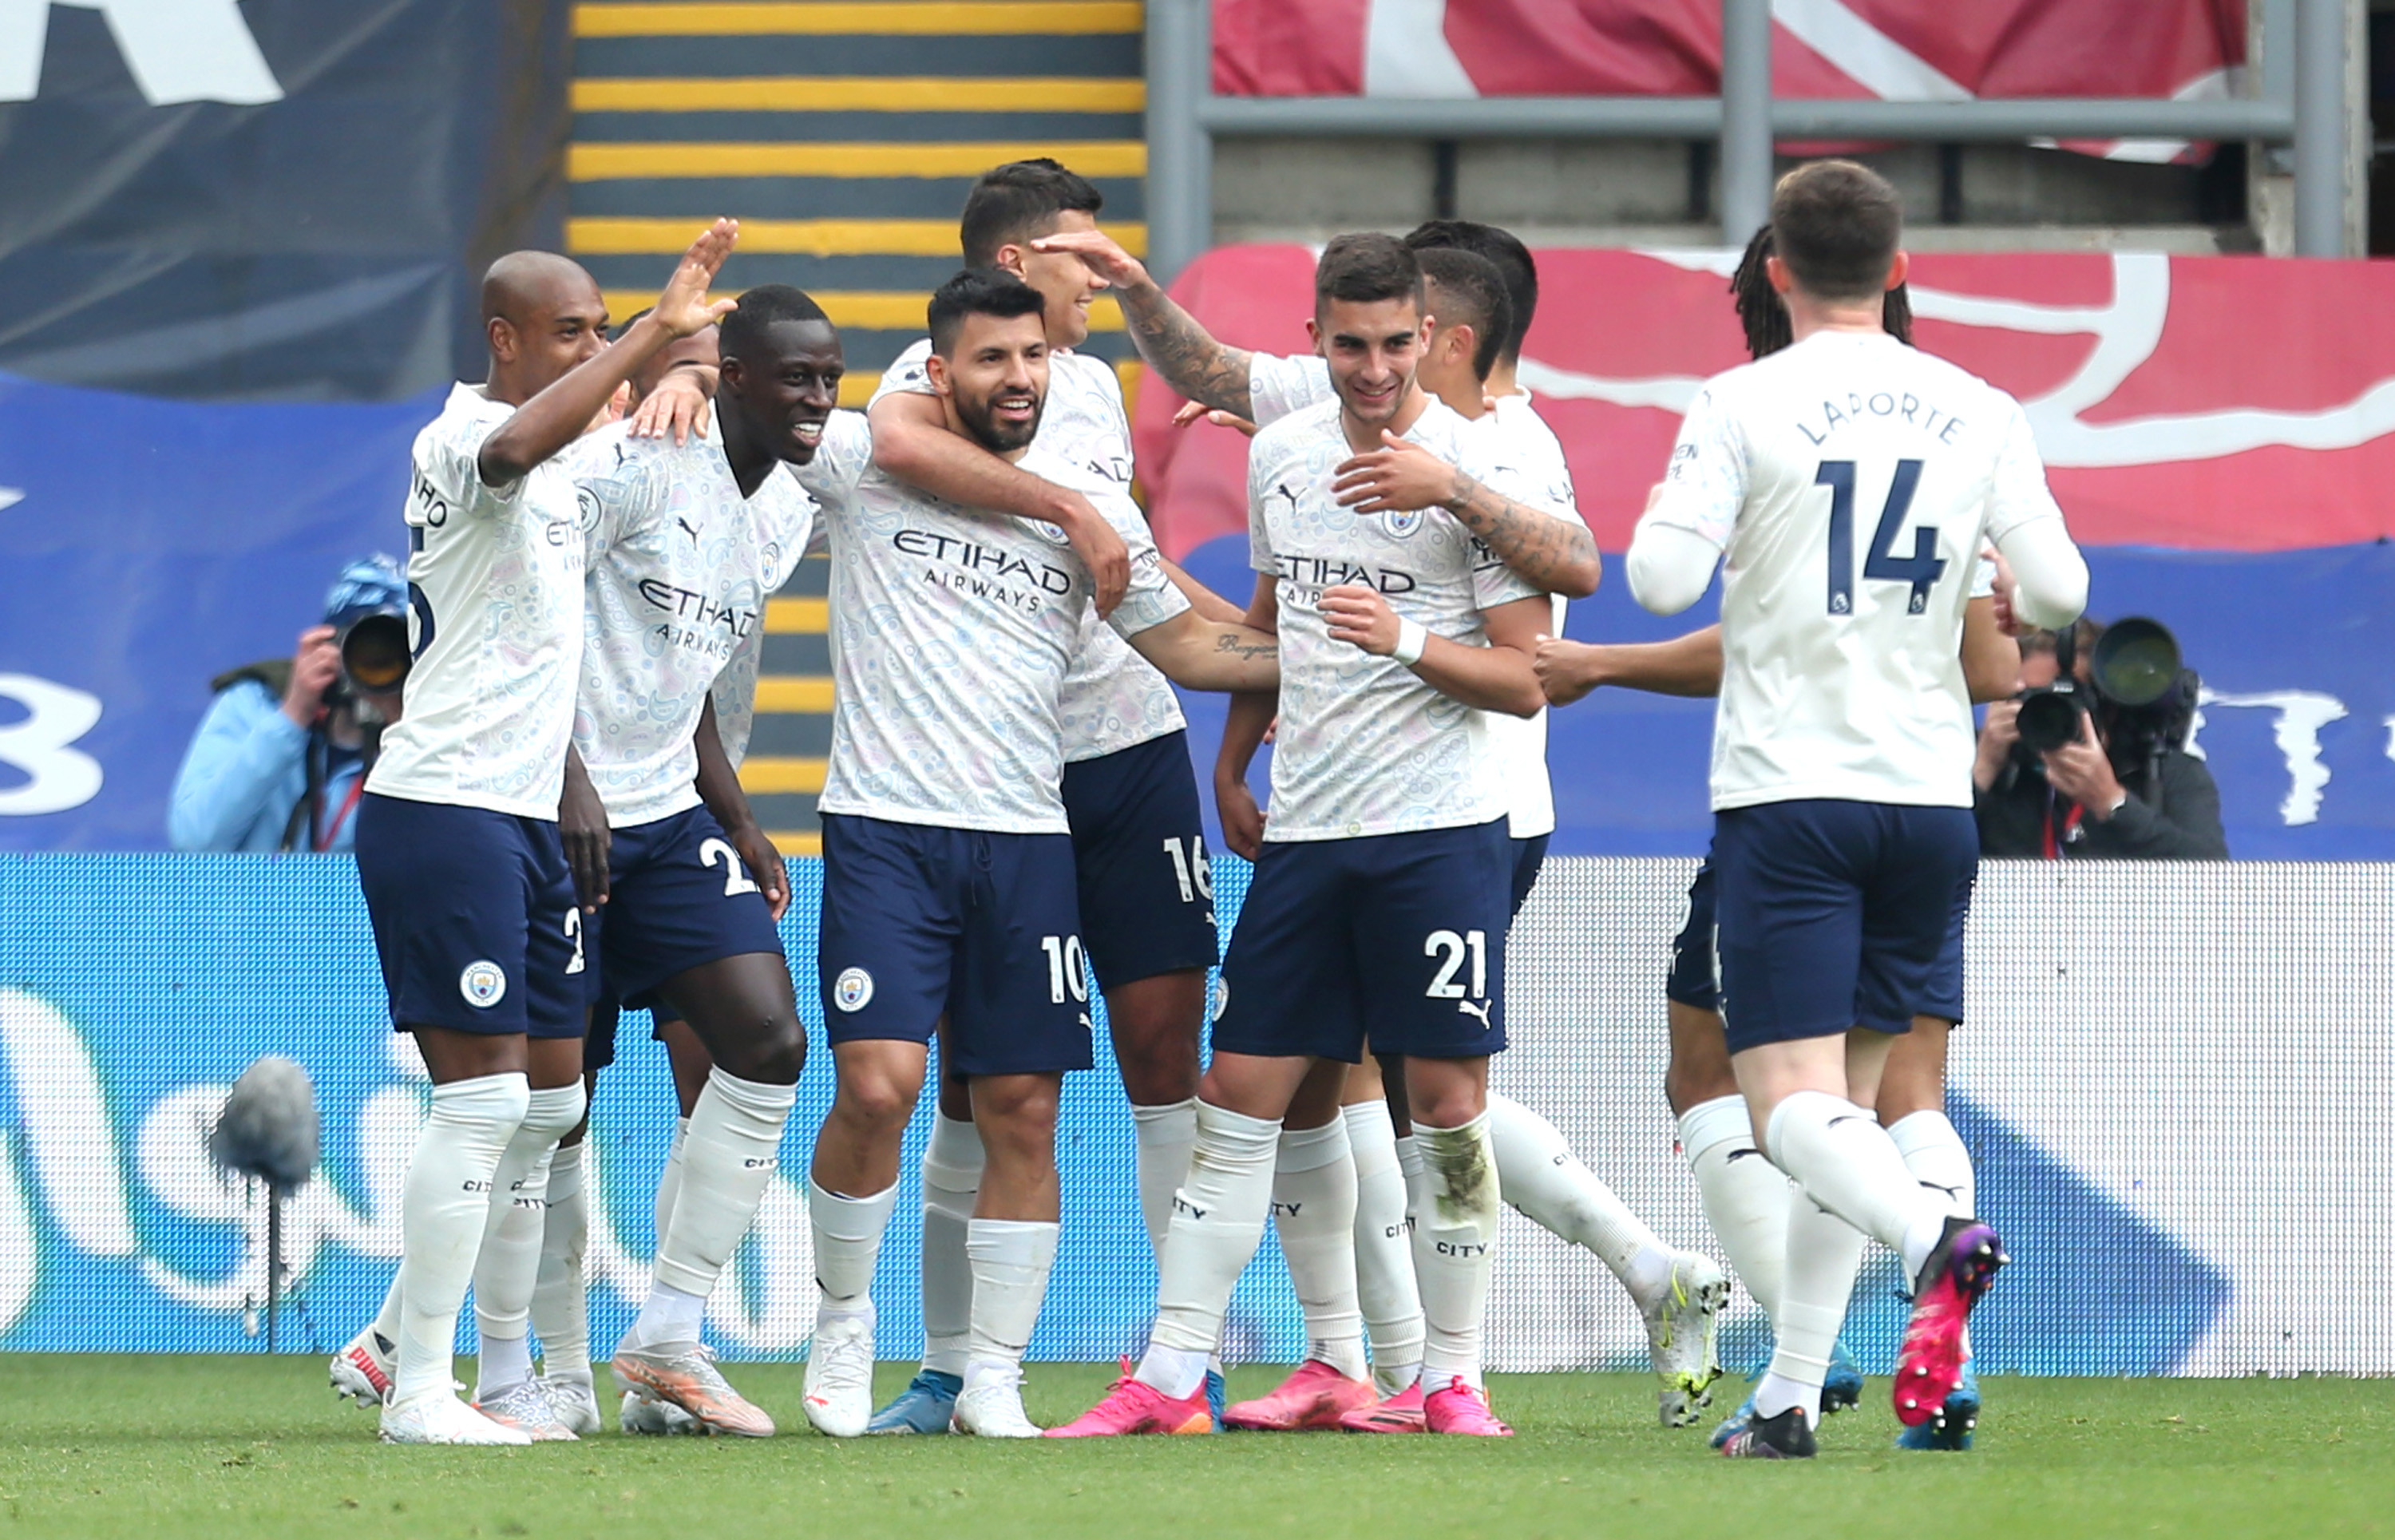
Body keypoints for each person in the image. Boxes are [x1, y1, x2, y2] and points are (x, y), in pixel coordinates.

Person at [1051, 217, 1726, 1430]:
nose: (1372, 371)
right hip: (1312, 831)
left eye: (1393, 347)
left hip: (1447, 829)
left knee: (1444, 1106)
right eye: (1349, 347)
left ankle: (1452, 1376)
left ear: (1433, 339)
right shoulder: (1285, 453)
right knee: (1247, 1087)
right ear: (1318, 341)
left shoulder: (1488, 460)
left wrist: (1410, 627)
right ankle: (1176, 1374)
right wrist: (1239, 753)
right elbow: (1276, 614)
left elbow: (1532, 670)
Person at [1621, 159, 2087, 1460]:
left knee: (1789, 1109)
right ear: (1896, 267)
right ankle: (1790, 1395)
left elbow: (1659, 581)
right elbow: (2053, 586)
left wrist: (1733, 529)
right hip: (1929, 802)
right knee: (1864, 1105)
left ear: (1774, 269)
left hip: (1794, 793)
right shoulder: (1981, 406)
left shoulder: (1741, 398)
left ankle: (1934, 1235)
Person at [1538, 220, 2019, 1452]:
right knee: (1895, 1086)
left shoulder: (1762, 420)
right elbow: (1991, 654)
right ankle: (1831, 1384)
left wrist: (1606, 659)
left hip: (1798, 802)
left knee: (1730, 1075)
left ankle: (1888, 1293)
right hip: (1928, 803)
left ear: (1768, 296)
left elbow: (1746, 629)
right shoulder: (1960, 425)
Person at [794, 269, 1282, 1440]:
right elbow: (756, 410)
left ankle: (994, 1378)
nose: (1016, 377)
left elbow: (1202, 648)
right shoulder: (866, 459)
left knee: (1021, 1109)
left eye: (1032, 358)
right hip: (884, 828)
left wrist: (1382, 653)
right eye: (989, 360)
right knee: (880, 1086)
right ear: (936, 370)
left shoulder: (1087, 506)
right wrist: (672, 377)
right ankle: (844, 1319)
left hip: (1027, 841)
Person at [331, 223, 738, 1447]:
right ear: (503, 338)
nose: (593, 347)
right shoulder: (461, 438)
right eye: (572, 331)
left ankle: (486, 1373)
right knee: (482, 1102)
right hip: (444, 803)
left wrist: (687, 361)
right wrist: (655, 336)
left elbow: (709, 376)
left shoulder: (578, 462)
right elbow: (519, 440)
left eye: (599, 322)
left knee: (548, 1106)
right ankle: (416, 1389)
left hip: (520, 811)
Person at [168, 556, 408, 853]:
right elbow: (195, 839)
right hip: (250, 900)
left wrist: (404, 731)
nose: (377, 659)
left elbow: (437, 865)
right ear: (327, 641)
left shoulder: (438, 730)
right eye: (365, 641)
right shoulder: (256, 701)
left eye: (396, 647)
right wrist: (292, 716)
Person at [1973, 621, 2227, 859]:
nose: (2054, 715)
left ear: (2110, 706)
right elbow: (1937, 863)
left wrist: (2114, 804)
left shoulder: (2165, 771)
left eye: (2071, 702)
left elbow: (2212, 879)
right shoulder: (1989, 763)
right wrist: (1983, 769)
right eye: (2037, 700)